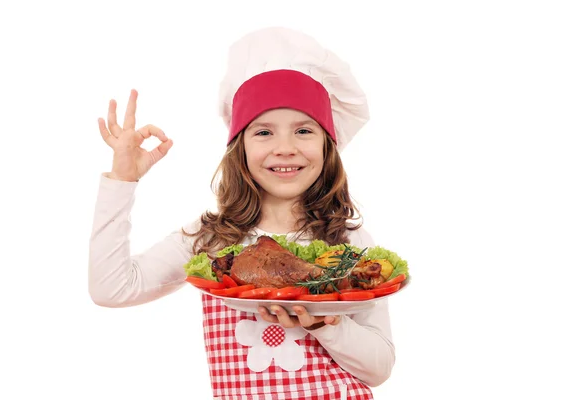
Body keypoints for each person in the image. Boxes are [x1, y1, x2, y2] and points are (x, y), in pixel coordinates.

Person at [89, 27, 395, 399]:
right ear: (240, 149)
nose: (285, 148)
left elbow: (379, 369)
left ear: (328, 146)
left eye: (303, 130)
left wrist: (325, 323)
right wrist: (122, 179)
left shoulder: (346, 245)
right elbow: (112, 290)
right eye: (264, 132)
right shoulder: (209, 239)